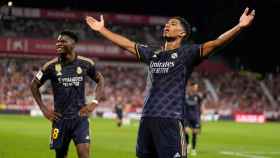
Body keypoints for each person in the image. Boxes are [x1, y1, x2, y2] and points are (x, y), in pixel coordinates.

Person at [85, 8, 255, 158]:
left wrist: (239, 27)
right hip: (147, 119)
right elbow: (128, 45)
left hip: (170, 120)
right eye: (167, 23)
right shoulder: (153, 54)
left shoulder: (187, 53)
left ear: (182, 33)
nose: (168, 25)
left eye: (173, 24)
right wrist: (102, 30)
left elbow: (217, 43)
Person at [30, 30, 105, 158]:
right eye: (57, 41)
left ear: (73, 44)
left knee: (84, 154)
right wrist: (44, 109)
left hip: (80, 118)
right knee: (60, 155)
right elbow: (33, 85)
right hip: (60, 119)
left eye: (63, 41)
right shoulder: (50, 66)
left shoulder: (86, 63)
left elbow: (100, 80)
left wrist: (94, 102)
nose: (58, 44)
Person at [184, 82, 204, 156]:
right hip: (186, 117)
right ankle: (188, 144)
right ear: (191, 87)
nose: (196, 88)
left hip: (195, 117)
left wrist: (201, 116)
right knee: (186, 131)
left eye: (197, 87)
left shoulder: (198, 96)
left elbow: (200, 106)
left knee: (194, 133)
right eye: (195, 87)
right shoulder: (185, 95)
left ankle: (193, 149)